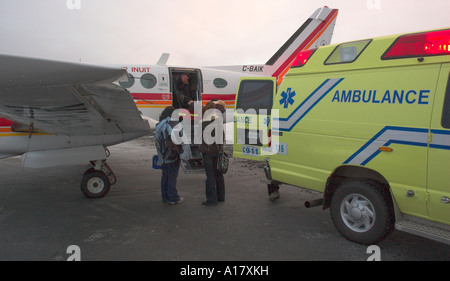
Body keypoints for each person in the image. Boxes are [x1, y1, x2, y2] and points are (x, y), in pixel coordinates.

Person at [155, 106, 184, 205]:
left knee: (165, 177)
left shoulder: (159, 125)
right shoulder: (172, 123)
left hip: (162, 155)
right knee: (172, 177)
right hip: (171, 154)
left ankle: (165, 197)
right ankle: (173, 198)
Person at [200, 100, 226, 206]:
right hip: (217, 151)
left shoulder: (203, 122)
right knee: (219, 174)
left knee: (210, 176)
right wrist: (220, 147)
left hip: (207, 151)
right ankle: (221, 197)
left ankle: (211, 199)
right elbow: (222, 137)